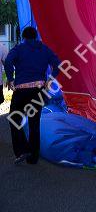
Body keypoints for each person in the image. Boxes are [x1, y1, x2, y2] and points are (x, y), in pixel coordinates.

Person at [4, 26, 61, 165]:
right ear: (36, 36)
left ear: (23, 36)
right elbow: (57, 64)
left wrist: (10, 78)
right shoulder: (44, 49)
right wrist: (50, 79)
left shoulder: (19, 48)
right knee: (34, 124)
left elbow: (8, 61)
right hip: (38, 91)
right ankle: (33, 157)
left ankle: (23, 150)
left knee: (14, 119)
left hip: (22, 91)